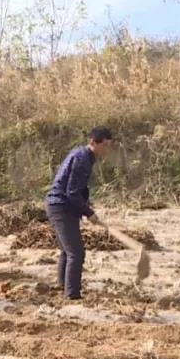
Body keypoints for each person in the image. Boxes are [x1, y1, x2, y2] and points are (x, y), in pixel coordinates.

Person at [45, 126, 113, 300]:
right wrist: (88, 212)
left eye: (108, 145)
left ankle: (63, 286)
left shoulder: (84, 156)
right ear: (93, 143)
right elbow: (72, 192)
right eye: (104, 145)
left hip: (61, 205)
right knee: (76, 252)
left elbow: (77, 191)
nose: (106, 149)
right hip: (61, 206)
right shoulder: (82, 158)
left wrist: (86, 206)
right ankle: (72, 295)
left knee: (67, 251)